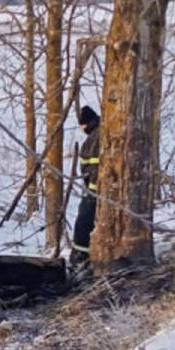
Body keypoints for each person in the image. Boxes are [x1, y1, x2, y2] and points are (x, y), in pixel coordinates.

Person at [70, 104, 101, 269]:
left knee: (83, 223)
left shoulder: (96, 138)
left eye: (82, 124)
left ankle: (80, 258)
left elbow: (95, 168)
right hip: (93, 189)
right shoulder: (94, 137)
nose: (82, 128)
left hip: (95, 191)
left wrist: (93, 191)